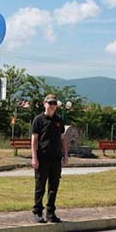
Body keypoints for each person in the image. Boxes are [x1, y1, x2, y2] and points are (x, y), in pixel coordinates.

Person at [30, 94, 67, 224]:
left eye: (54, 103)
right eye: (50, 103)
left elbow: (63, 138)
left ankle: (51, 213)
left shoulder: (59, 120)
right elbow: (34, 140)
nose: (52, 106)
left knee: (54, 186)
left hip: (56, 158)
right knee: (40, 186)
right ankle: (38, 211)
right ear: (44, 104)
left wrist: (65, 154)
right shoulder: (38, 120)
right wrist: (34, 157)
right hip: (42, 157)